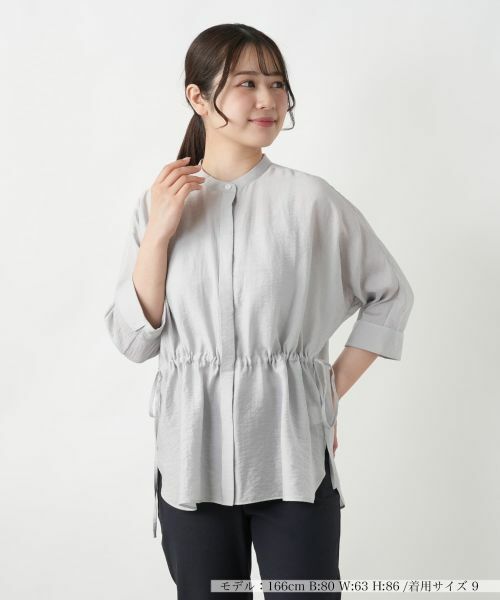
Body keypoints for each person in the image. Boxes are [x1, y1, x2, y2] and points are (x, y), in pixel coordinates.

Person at [104, 23, 414, 600]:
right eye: (247, 83)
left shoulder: (311, 200)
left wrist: (326, 392)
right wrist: (160, 233)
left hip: (292, 457)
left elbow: (391, 293)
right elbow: (134, 340)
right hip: (191, 461)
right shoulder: (159, 205)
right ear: (198, 97)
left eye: (277, 83)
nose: (268, 99)